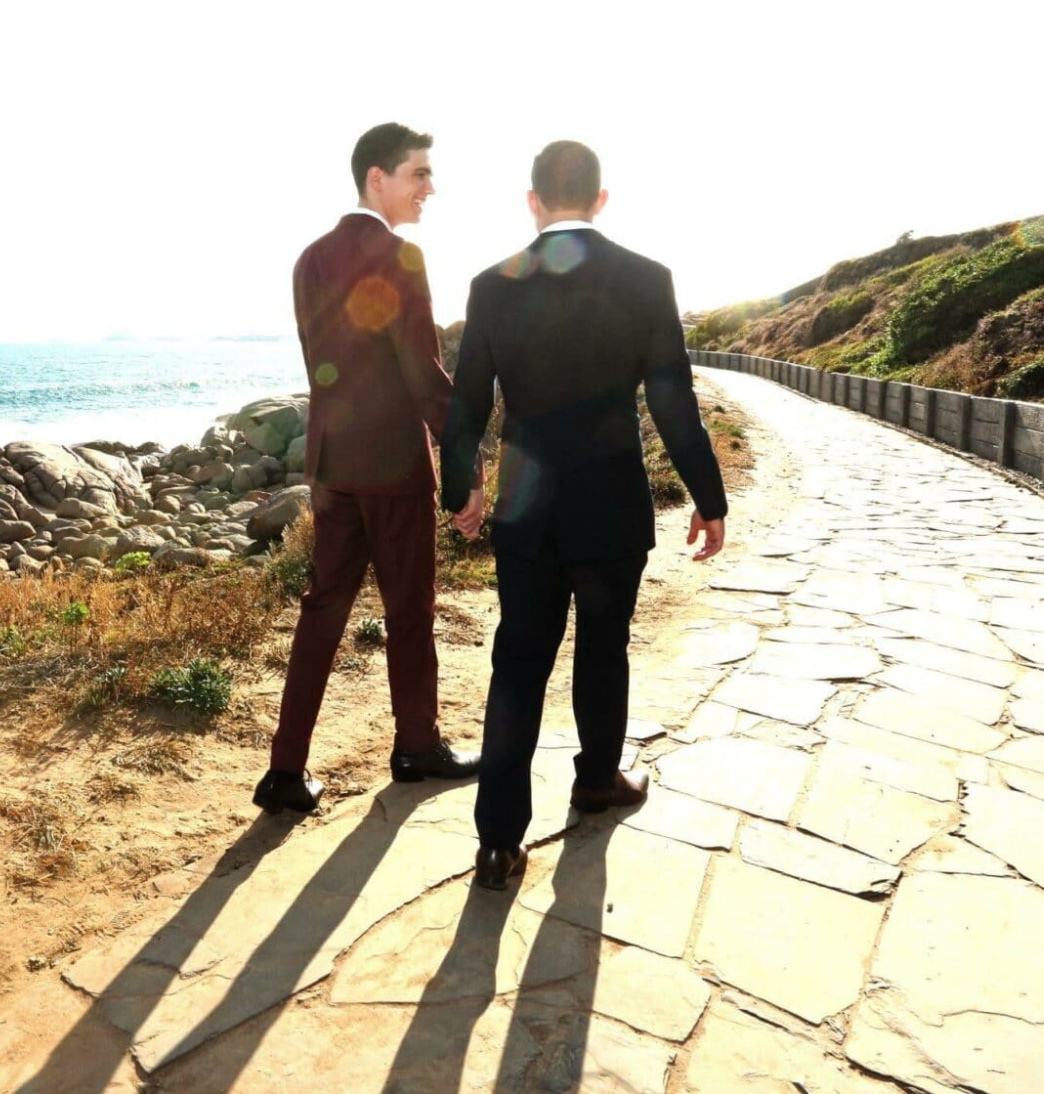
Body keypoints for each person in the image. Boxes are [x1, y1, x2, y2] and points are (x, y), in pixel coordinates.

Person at [439, 139, 727, 889]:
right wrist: (707, 494)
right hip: (610, 504)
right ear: (602, 200)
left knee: (518, 664)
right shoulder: (646, 279)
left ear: (532, 202)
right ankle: (597, 779)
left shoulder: (490, 285)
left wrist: (460, 487)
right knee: (605, 648)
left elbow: (468, 401)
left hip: (526, 510)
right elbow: (672, 399)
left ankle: (499, 842)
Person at [253, 123, 483, 815]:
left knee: (322, 609)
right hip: (391, 466)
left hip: (331, 463)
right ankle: (416, 746)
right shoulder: (400, 255)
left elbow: (319, 368)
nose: (429, 187)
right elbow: (423, 372)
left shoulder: (308, 259)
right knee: (409, 610)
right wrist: (464, 461)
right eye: (418, 173)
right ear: (376, 178)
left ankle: (284, 774)